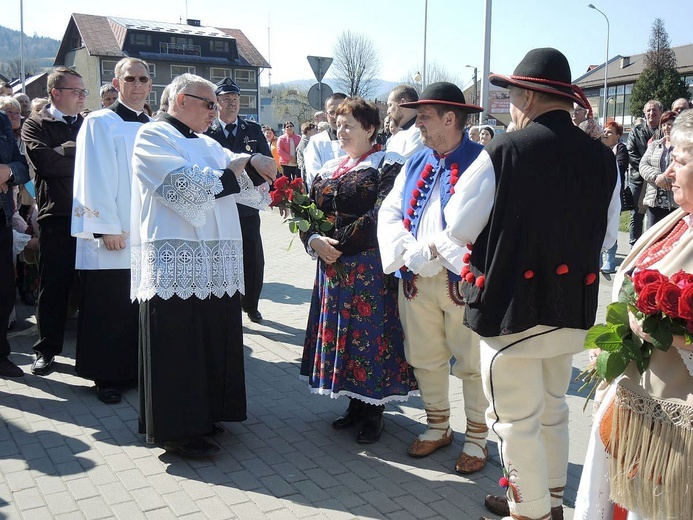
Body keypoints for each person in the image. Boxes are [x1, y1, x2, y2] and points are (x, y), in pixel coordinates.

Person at [440, 48, 619, 520]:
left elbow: (456, 225)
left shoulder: (505, 150)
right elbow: (606, 236)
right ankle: (549, 501)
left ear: (529, 96)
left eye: (514, 95)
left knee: (515, 422)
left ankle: (532, 512)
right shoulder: (604, 159)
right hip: (571, 310)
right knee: (553, 409)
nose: (513, 106)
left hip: (511, 313)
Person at [131, 73, 277, 458]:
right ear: (181, 100)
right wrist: (238, 169)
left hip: (215, 261)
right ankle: (178, 431)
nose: (216, 111)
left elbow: (241, 179)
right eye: (209, 104)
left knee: (211, 338)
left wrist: (257, 163)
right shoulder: (153, 136)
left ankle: (208, 413)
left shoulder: (208, 141)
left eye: (217, 104)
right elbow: (186, 187)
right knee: (180, 345)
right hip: (176, 260)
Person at [574, 108, 693, 520]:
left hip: (672, 429)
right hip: (635, 406)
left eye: (678, 161)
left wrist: (673, 337)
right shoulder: (680, 218)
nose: (668, 172)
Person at [378, 82, 490, 473]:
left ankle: (477, 437)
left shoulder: (482, 161)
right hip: (414, 277)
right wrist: (408, 251)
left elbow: (475, 219)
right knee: (424, 357)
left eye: (425, 116)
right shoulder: (414, 160)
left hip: (459, 279)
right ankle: (438, 425)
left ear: (449, 118)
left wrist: (436, 252)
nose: (418, 122)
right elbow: (390, 211)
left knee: (472, 360)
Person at [300, 97, 417, 444]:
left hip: (368, 268)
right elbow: (306, 210)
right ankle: (353, 402)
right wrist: (314, 239)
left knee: (370, 337)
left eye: (348, 125)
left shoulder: (387, 164)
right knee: (344, 338)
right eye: (337, 125)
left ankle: (374, 410)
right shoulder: (330, 167)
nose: (341, 131)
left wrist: (335, 245)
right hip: (332, 268)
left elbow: (382, 213)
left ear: (370, 128)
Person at [71, 57, 152, 404]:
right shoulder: (99, 122)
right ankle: (105, 376)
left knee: (137, 308)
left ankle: (134, 370)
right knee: (109, 307)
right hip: (114, 234)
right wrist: (105, 228)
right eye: (129, 78)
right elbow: (92, 175)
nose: (137, 85)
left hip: (147, 236)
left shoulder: (155, 126)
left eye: (143, 79)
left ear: (151, 85)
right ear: (117, 84)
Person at [22, 67, 87, 376]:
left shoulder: (90, 124)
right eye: (76, 91)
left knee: (90, 287)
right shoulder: (36, 124)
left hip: (91, 216)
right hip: (57, 215)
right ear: (55, 93)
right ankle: (47, 350)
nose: (82, 96)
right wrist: (78, 156)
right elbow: (46, 165)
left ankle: (94, 352)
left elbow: (100, 166)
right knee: (54, 286)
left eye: (84, 91)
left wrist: (64, 152)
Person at [205, 77, 274, 323]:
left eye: (235, 99)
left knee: (252, 256)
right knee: (222, 255)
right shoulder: (207, 130)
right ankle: (227, 304)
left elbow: (267, 161)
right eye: (226, 99)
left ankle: (251, 303)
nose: (232, 104)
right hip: (218, 203)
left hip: (247, 205)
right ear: (217, 102)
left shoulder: (253, 130)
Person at [0, 110, 29, 377]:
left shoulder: (0, 120)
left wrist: (8, 171)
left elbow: (22, 167)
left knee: (4, 291)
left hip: (2, 221)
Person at [628, 100, 663, 246]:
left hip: (659, 181)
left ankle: (652, 247)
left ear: (661, 112)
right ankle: (634, 246)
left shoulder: (665, 131)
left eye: (654, 110)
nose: (651, 113)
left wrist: (658, 175)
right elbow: (631, 154)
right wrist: (648, 172)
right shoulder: (636, 131)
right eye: (648, 110)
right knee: (636, 215)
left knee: (655, 215)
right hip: (639, 179)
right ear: (644, 113)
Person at [640, 110, 678, 228]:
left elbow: (685, 167)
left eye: (670, 124)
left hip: (676, 204)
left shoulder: (684, 147)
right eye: (664, 124)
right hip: (655, 202)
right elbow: (643, 165)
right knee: (653, 240)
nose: (666, 128)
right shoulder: (654, 145)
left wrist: (667, 179)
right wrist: (657, 177)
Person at [600, 121, 629, 273]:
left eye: (610, 132)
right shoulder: (597, 149)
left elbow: (621, 167)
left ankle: (609, 257)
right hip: (599, 195)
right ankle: (598, 255)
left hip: (614, 194)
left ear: (618, 136)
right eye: (604, 131)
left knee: (612, 223)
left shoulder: (620, 149)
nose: (605, 133)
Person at [304, 93, 348, 189]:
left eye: (341, 111)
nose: (336, 116)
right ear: (326, 115)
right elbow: (314, 176)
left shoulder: (361, 139)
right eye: (332, 112)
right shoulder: (316, 142)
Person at [386, 85, 424, 159]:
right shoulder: (397, 135)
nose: (388, 112)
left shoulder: (419, 133)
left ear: (402, 103)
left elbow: (405, 166)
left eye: (390, 105)